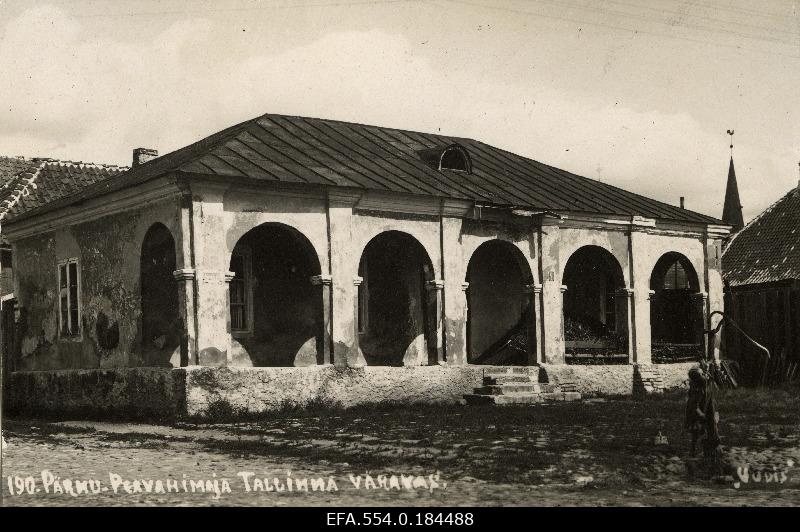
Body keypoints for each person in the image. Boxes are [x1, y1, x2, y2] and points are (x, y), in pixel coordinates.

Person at [685, 366, 721, 457]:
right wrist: (702, 415)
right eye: (702, 374)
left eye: (704, 373)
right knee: (697, 431)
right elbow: (694, 406)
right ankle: (694, 451)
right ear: (697, 379)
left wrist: (715, 411)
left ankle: (711, 449)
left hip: (709, 410)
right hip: (699, 413)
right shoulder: (698, 390)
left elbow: (713, 390)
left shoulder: (706, 384)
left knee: (712, 431)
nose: (705, 374)